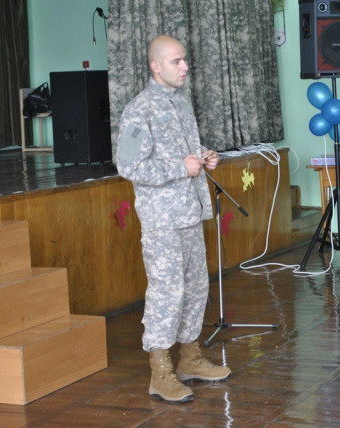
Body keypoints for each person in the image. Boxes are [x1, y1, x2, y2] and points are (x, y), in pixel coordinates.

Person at [115, 35, 231, 404]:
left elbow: (183, 153)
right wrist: (180, 167)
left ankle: (190, 358)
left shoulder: (181, 102)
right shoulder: (139, 110)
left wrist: (204, 156)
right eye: (176, 61)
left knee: (195, 288)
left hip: (189, 212)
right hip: (162, 219)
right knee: (167, 292)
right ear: (156, 66)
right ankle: (160, 372)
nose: (185, 67)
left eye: (184, 60)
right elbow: (127, 166)